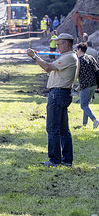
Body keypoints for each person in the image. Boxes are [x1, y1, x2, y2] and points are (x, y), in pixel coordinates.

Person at [26, 32, 78, 167]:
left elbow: (48, 67)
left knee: (53, 128)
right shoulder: (69, 57)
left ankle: (55, 159)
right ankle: (66, 159)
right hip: (62, 93)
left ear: (67, 44)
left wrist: (34, 57)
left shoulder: (68, 57)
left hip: (58, 94)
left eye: (59, 43)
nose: (57, 46)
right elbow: (49, 68)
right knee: (63, 129)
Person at [74, 42, 99, 129]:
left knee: (83, 105)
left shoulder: (79, 60)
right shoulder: (90, 57)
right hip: (93, 84)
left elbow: (76, 74)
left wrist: (73, 85)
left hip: (85, 86)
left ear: (80, 49)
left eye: (77, 49)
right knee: (86, 105)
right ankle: (84, 124)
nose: (76, 51)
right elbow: (97, 69)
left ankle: (95, 120)